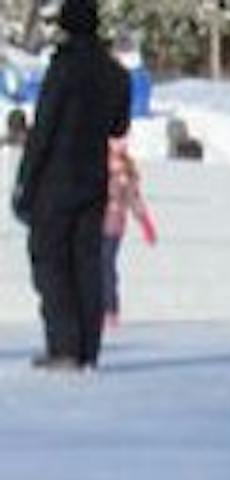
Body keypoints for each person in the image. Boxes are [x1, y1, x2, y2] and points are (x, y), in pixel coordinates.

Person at [10, 0, 130, 373]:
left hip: (55, 181)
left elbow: (43, 130)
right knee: (87, 263)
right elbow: (118, 127)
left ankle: (63, 345)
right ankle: (87, 350)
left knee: (51, 262)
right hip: (93, 179)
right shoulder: (116, 74)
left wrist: (25, 182)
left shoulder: (63, 68)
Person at [99, 131, 153, 328]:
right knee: (92, 266)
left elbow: (134, 199)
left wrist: (145, 223)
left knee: (105, 266)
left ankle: (110, 309)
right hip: (92, 225)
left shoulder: (125, 172)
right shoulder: (94, 164)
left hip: (112, 225)